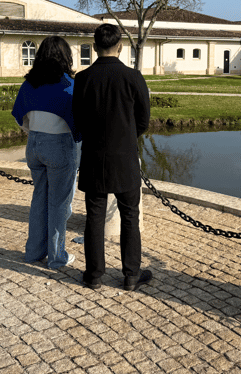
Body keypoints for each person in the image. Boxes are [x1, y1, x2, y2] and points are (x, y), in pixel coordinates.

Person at [73, 23, 152, 291]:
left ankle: (94, 274)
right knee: (130, 214)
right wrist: (128, 136)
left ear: (95, 47)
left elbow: (78, 120)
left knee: (94, 216)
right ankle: (131, 275)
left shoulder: (83, 79)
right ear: (120, 46)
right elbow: (143, 120)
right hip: (125, 156)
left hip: (94, 156)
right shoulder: (133, 77)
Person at [12, 36, 81, 269]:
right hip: (59, 145)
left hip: (34, 144)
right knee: (59, 203)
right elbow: (79, 125)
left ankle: (33, 252)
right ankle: (57, 256)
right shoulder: (68, 85)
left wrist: (35, 130)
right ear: (66, 57)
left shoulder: (29, 83)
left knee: (39, 198)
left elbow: (20, 117)